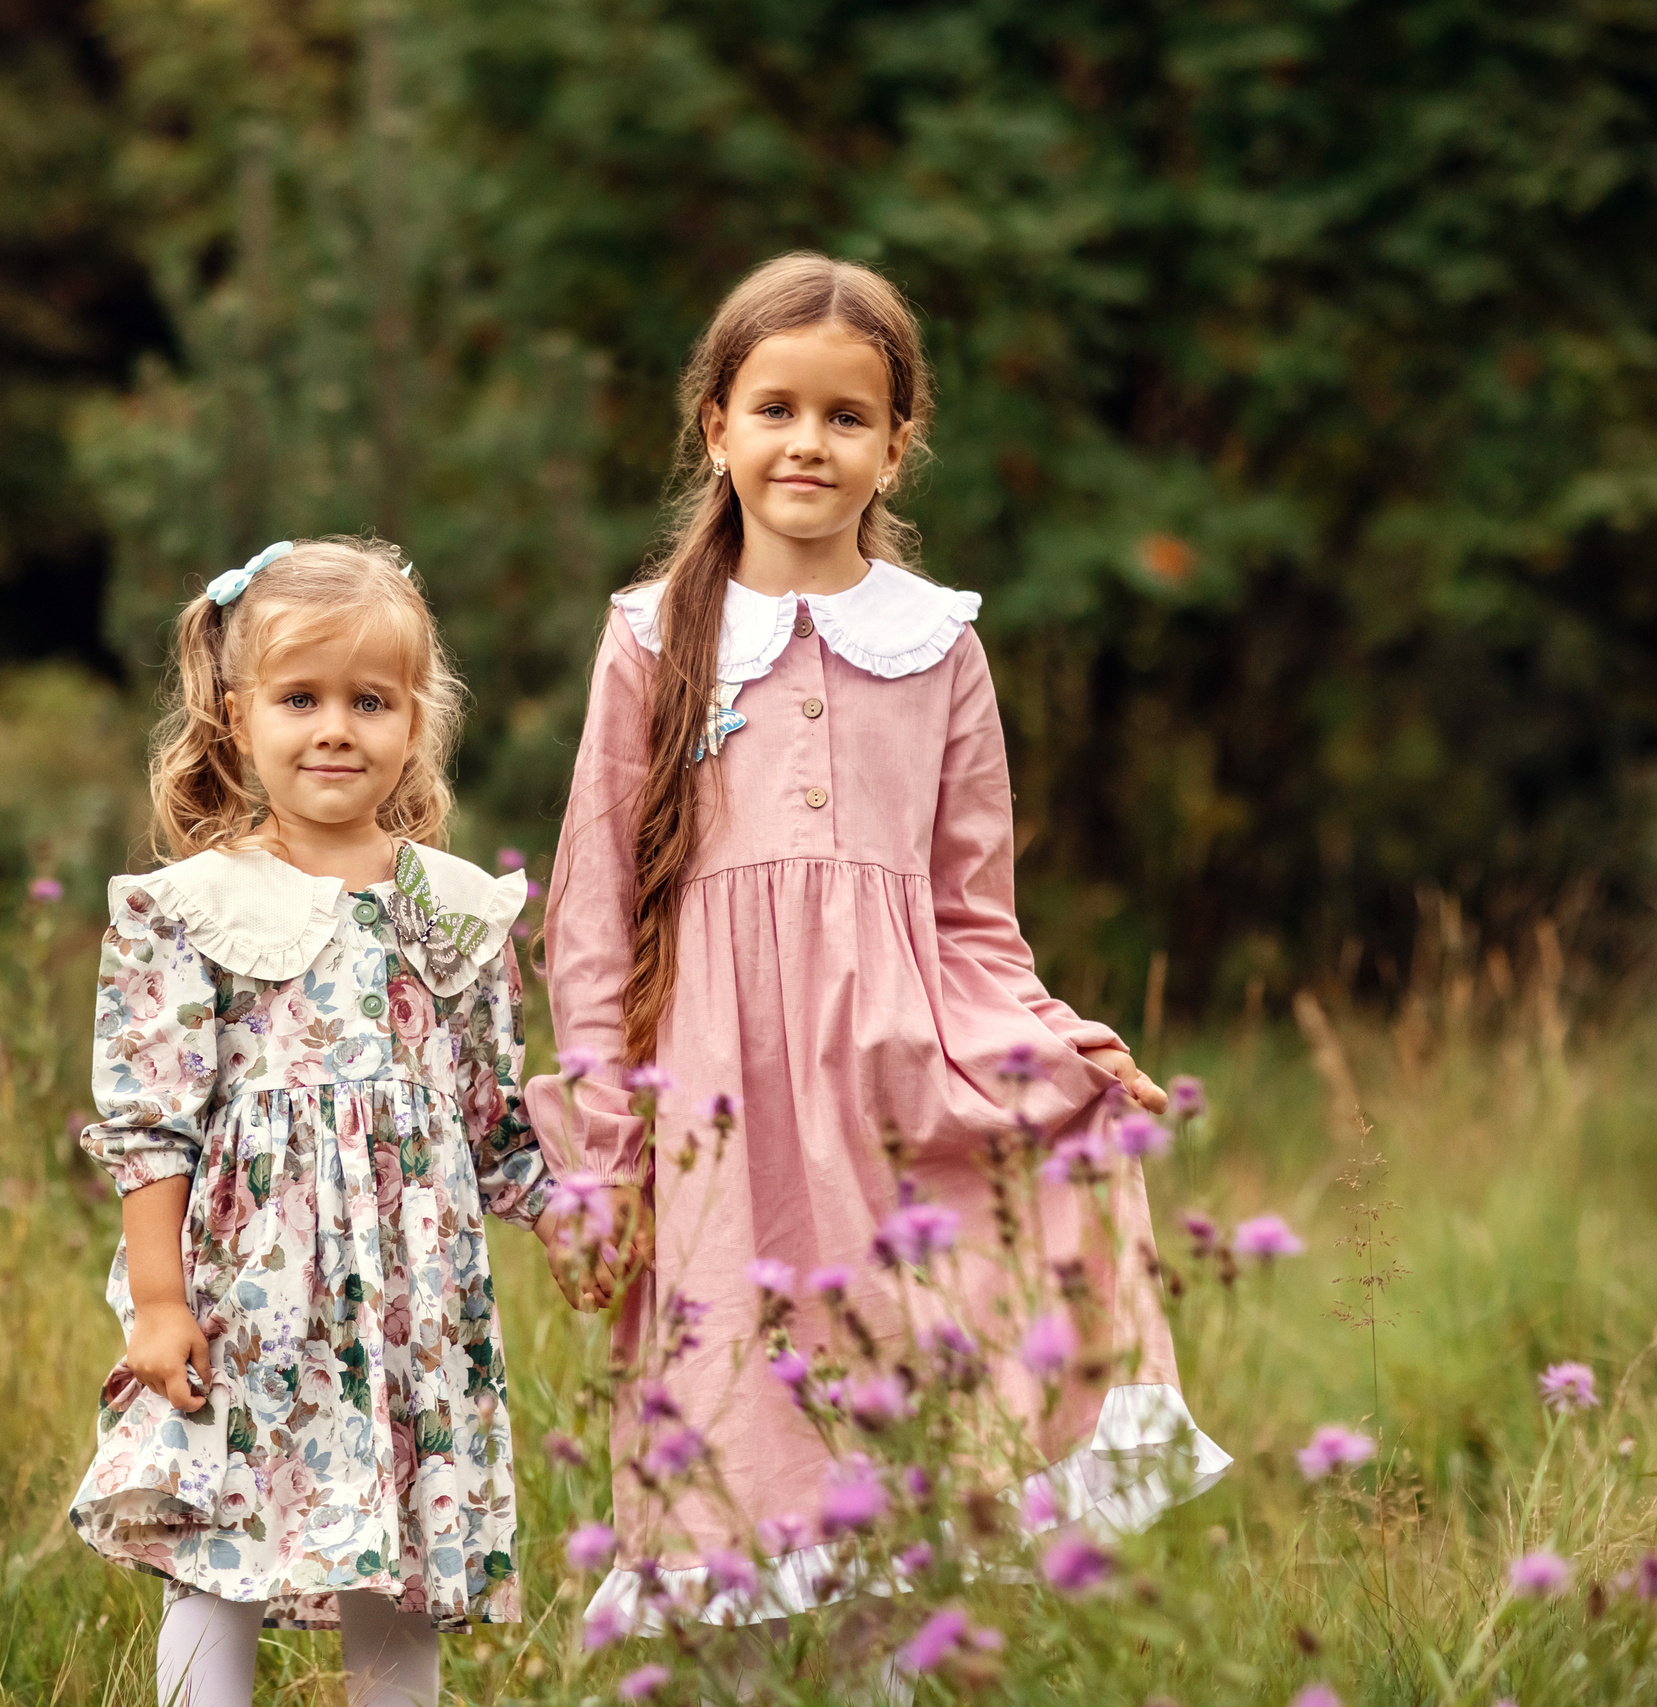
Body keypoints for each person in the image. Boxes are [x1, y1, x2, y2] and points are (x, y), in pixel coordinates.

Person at [526, 254, 1229, 1627]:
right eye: (775, 407)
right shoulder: (650, 642)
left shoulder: (939, 647)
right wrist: (605, 1147)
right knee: (731, 1420)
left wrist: (1064, 1045)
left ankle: (893, 1654)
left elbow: (974, 914)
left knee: (905, 1426)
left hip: (895, 1097)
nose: (808, 441)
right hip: (722, 1107)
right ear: (714, 423)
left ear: (898, 442)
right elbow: (593, 914)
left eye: (847, 415)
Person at [67, 536, 587, 1707]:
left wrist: (579, 1223)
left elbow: (493, 1121)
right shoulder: (192, 907)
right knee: (215, 1551)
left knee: (398, 1561)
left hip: (411, 1306)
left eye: (370, 700)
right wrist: (158, 1304)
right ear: (238, 716)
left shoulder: (449, 911)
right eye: (301, 699)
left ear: (415, 721)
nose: (335, 729)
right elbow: (149, 1123)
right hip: (248, 1297)